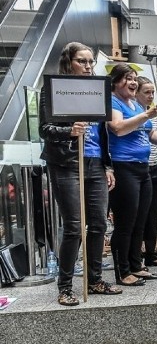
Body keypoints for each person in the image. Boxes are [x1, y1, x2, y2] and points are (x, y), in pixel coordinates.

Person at [39, 42, 120, 305]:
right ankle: (64, 287)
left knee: (98, 224)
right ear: (69, 62)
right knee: (74, 227)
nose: (88, 66)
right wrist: (69, 131)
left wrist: (107, 166)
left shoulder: (98, 90)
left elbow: (104, 134)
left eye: (90, 62)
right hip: (65, 164)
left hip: (95, 163)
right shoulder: (53, 89)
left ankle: (95, 279)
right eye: (82, 61)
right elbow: (45, 129)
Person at [107, 64, 157, 287]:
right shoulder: (112, 101)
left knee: (140, 221)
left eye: (134, 78)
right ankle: (122, 271)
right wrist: (146, 115)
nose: (133, 82)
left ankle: (136, 265)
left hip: (143, 168)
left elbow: (149, 132)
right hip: (124, 167)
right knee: (125, 222)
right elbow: (118, 128)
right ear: (115, 82)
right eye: (127, 78)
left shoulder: (134, 104)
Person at [136, 76, 157, 268]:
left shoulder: (153, 115)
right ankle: (137, 255)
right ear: (136, 93)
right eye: (146, 92)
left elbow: (156, 143)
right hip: (137, 168)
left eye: (152, 92)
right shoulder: (133, 113)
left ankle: (151, 252)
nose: (150, 96)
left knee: (153, 214)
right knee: (139, 214)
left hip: (154, 167)